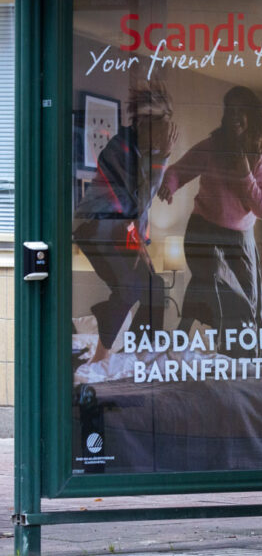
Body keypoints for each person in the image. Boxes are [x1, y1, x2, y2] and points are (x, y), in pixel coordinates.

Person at [158, 86, 262, 361]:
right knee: (224, 290)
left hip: (240, 239)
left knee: (251, 301)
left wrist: (245, 172)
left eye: (240, 111)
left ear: (249, 115)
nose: (234, 117)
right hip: (204, 230)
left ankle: (249, 358)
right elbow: (179, 170)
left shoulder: (258, 157)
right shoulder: (212, 146)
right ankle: (226, 356)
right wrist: (170, 185)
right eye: (230, 111)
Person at [74, 81, 178, 363]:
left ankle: (138, 353)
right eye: (161, 129)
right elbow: (138, 202)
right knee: (130, 287)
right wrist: (163, 158)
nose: (165, 137)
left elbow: (137, 211)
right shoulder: (120, 148)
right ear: (145, 123)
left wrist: (140, 243)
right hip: (96, 228)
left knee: (154, 286)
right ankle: (100, 356)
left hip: (122, 229)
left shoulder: (145, 152)